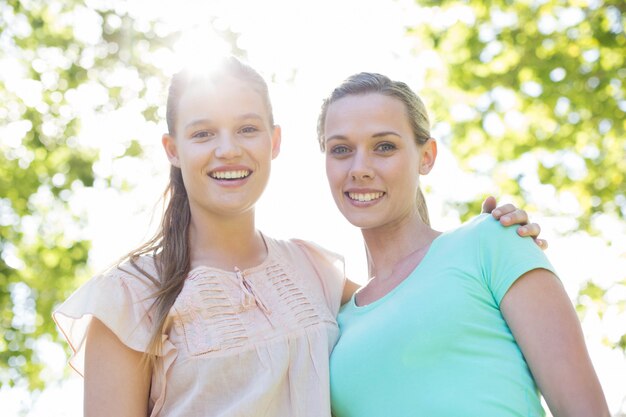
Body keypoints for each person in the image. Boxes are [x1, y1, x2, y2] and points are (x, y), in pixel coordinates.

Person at [53, 57, 543, 417]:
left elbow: (413, 297)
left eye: (247, 129)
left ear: (274, 142)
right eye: (203, 134)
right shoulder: (129, 297)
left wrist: (493, 240)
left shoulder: (316, 272)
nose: (227, 150)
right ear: (173, 149)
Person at [318, 72, 610, 417]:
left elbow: (584, 410)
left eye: (384, 146)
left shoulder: (493, 241)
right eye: (341, 149)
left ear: (426, 156)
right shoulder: (333, 324)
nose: (360, 168)